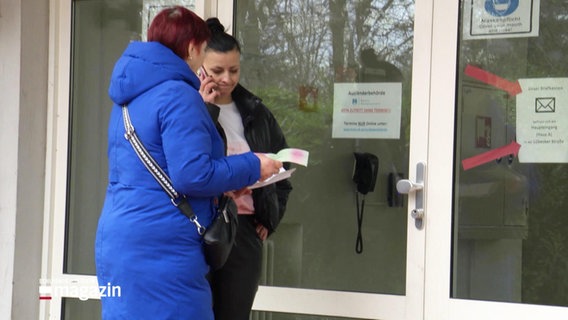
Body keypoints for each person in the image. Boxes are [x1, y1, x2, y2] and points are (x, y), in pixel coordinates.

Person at [94, 7, 282, 320]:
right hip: (163, 247)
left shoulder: (128, 97)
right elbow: (193, 174)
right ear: (193, 47)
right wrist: (253, 165)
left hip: (119, 239)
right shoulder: (179, 95)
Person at [198, 18, 293, 320]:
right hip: (200, 227)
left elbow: (283, 168)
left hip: (244, 231)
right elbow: (190, 162)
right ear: (199, 66)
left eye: (234, 70)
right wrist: (206, 109)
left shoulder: (255, 111)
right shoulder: (188, 105)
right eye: (217, 70)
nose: (226, 78)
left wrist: (270, 218)